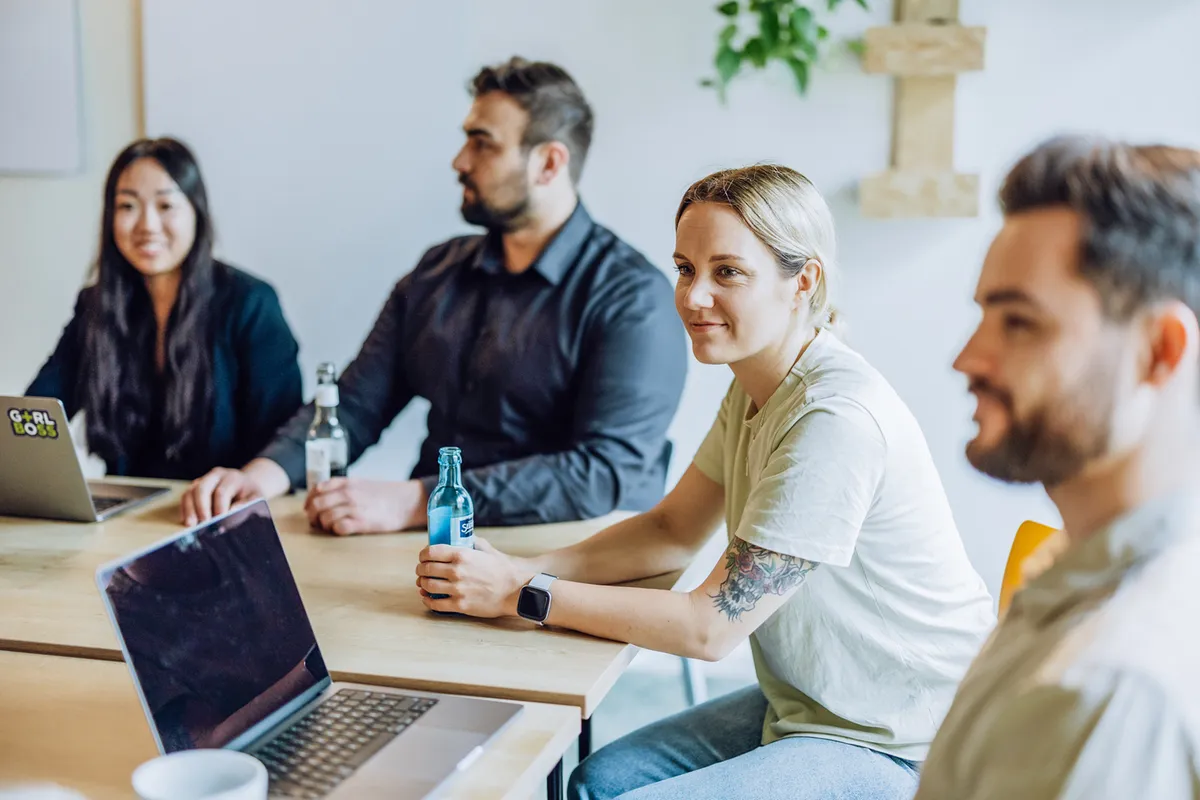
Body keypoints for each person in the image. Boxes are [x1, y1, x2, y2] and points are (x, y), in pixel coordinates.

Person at [417, 164, 995, 800]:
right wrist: (519, 568)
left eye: (728, 272)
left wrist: (526, 592)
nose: (693, 297)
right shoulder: (754, 384)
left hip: (911, 743)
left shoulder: (835, 422)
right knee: (598, 783)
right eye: (686, 268)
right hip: (817, 708)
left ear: (803, 282)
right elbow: (670, 531)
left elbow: (709, 627)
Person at [180, 57, 686, 533]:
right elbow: (356, 404)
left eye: (482, 143)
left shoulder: (632, 298)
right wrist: (263, 477)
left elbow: (602, 473)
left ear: (549, 163)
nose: (460, 161)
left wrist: (419, 501)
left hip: (564, 563)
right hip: (428, 548)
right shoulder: (437, 273)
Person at [916, 137, 1200, 799]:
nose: (969, 358)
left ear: (1158, 350)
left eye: (1019, 323)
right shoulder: (1074, 569)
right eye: (984, 314)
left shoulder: (1106, 693)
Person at [26, 137, 302, 481]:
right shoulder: (96, 306)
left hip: (225, 513)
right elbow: (37, 413)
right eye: (127, 207)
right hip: (129, 516)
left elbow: (287, 441)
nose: (147, 225)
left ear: (195, 212)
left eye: (165, 206)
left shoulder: (250, 304)